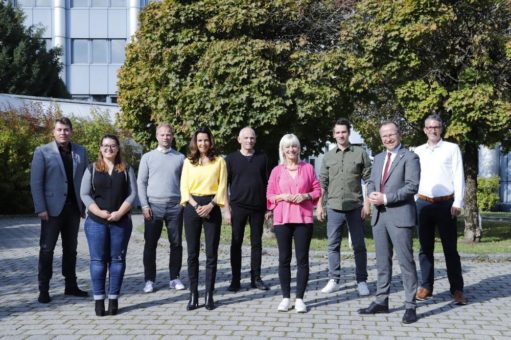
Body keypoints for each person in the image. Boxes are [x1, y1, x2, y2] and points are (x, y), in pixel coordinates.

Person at [358, 121, 420, 324]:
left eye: (391, 134)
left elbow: (412, 187)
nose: (387, 139)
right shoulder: (377, 158)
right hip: (379, 216)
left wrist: (385, 198)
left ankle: (410, 306)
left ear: (399, 134)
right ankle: (381, 301)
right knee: (382, 262)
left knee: (406, 262)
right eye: (384, 136)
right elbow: (371, 180)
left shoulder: (410, 157)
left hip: (400, 216)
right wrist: (372, 193)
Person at [30, 117, 89, 304]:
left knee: (71, 250)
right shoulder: (43, 152)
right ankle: (44, 288)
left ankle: (71, 286)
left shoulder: (81, 151)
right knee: (47, 250)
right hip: (51, 211)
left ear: (71, 131)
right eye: (59, 129)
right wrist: (40, 208)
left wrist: (84, 206)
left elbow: (86, 180)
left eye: (66, 130)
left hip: (73, 210)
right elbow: (36, 182)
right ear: (54, 132)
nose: (63, 133)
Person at [80, 134, 137, 316]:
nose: (109, 149)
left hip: (121, 223)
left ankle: (113, 299)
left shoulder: (126, 169)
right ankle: (98, 300)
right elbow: (85, 194)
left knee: (117, 260)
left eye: (112, 146)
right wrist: (98, 212)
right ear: (100, 148)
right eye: (105, 146)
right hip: (96, 222)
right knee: (98, 261)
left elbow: (132, 194)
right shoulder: (92, 169)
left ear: (118, 148)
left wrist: (120, 212)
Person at [414, 114, 466, 305]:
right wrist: (415, 200)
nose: (433, 130)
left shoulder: (452, 149)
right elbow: (414, 178)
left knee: (450, 249)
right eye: (429, 127)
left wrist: (458, 202)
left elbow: (459, 175)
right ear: (424, 130)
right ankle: (426, 286)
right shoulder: (417, 151)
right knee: (425, 248)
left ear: (441, 129)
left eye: (436, 127)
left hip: (446, 205)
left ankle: (457, 289)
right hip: (423, 204)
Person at [266, 134, 321, 313]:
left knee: (302, 260)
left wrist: (305, 196)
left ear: (298, 148)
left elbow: (317, 189)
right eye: (287, 147)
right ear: (282, 150)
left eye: (294, 146)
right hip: (282, 220)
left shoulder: (308, 168)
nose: (291, 150)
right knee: (284, 259)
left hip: (303, 219)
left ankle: (299, 299)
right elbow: (269, 195)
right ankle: (285, 297)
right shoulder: (276, 171)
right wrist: (282, 196)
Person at [317, 118, 372, 296]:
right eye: (338, 132)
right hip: (333, 207)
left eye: (344, 132)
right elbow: (322, 184)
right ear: (334, 135)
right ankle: (334, 279)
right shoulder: (328, 156)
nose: (341, 135)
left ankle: (362, 281)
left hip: (355, 206)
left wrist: (367, 204)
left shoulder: (360, 153)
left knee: (358, 246)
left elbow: (369, 179)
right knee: (333, 245)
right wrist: (320, 205)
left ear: (349, 133)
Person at [180, 126, 227, 311]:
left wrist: (210, 205)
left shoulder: (219, 161)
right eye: (199, 140)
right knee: (192, 254)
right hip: (192, 206)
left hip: (212, 205)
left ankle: (209, 294)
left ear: (210, 141)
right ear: (195, 142)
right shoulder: (188, 162)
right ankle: (193, 295)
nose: (203, 143)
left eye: (206, 140)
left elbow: (222, 186)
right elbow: (184, 187)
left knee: (211, 254)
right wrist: (196, 205)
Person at [138, 124, 186, 293]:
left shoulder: (180, 158)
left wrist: (183, 203)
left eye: (168, 134)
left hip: (175, 207)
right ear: (157, 136)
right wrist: (144, 204)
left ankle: (174, 278)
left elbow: (185, 183)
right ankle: (149, 280)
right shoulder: (147, 157)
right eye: (162, 134)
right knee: (150, 245)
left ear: (173, 136)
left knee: (176, 244)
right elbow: (141, 182)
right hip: (153, 207)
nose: (165, 137)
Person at [224, 127, 270, 292]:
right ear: (239, 139)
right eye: (246, 138)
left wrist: (268, 208)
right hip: (238, 207)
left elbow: (268, 185)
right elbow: (224, 187)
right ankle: (235, 280)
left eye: (252, 138)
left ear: (255, 139)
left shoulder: (262, 158)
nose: (249, 141)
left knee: (256, 243)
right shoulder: (230, 159)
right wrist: (226, 210)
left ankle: (256, 278)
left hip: (258, 207)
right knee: (236, 243)